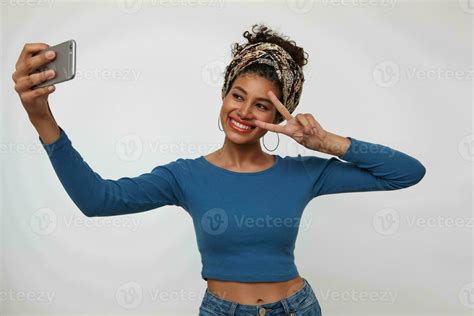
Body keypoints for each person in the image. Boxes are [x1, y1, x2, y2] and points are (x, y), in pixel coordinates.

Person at [12, 24, 426, 316]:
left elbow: (407, 173)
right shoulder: (185, 176)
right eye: (237, 95)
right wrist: (41, 119)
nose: (244, 112)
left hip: (297, 309)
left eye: (262, 105)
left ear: (281, 114)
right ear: (223, 95)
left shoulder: (305, 173)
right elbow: (96, 200)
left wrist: (327, 143)